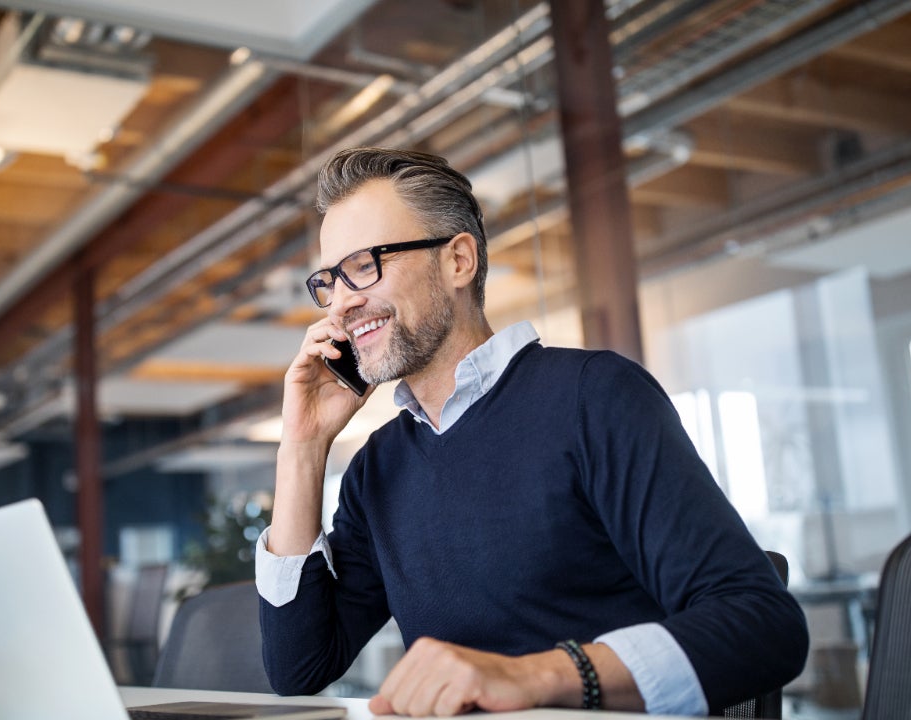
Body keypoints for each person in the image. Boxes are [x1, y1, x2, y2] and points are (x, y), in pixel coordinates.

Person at [255, 147, 808, 716]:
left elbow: (763, 625)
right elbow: (299, 668)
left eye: (366, 264)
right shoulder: (379, 467)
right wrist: (302, 447)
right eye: (328, 281)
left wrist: (535, 677)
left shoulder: (594, 397)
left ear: (458, 262)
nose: (342, 303)